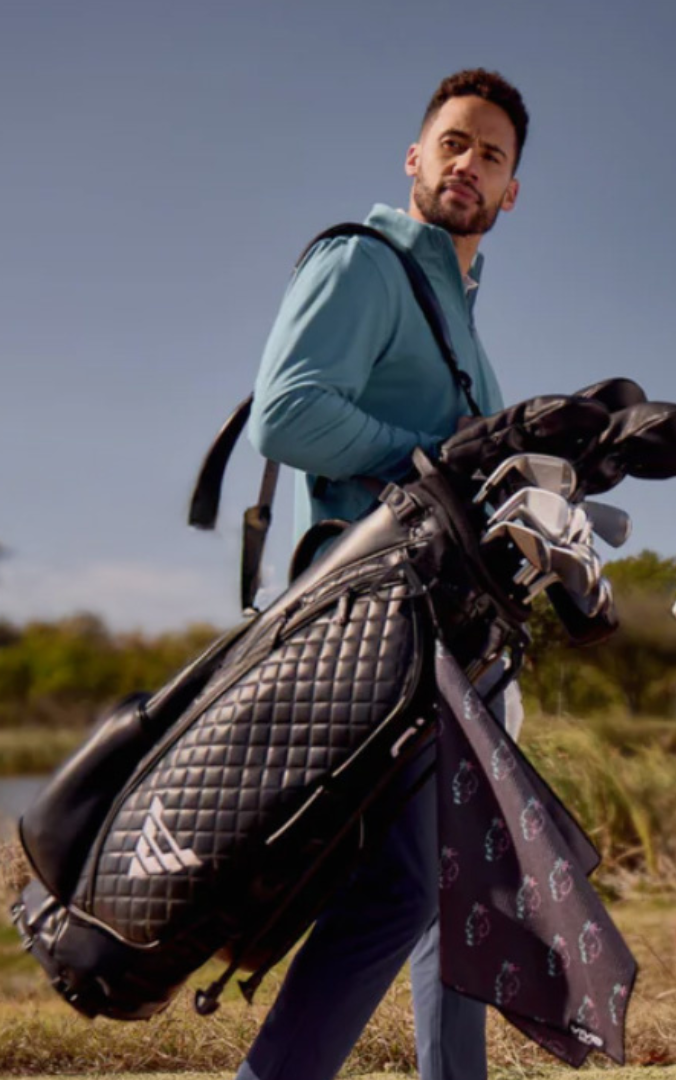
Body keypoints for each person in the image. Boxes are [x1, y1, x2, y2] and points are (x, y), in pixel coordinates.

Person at [234, 68, 528, 1080]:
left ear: (512, 189)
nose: (468, 164)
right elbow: (288, 414)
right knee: (406, 886)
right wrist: (435, 461)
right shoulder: (366, 263)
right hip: (373, 620)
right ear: (415, 157)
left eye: (491, 154)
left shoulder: (461, 312)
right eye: (453, 142)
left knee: (457, 893)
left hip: (446, 633)